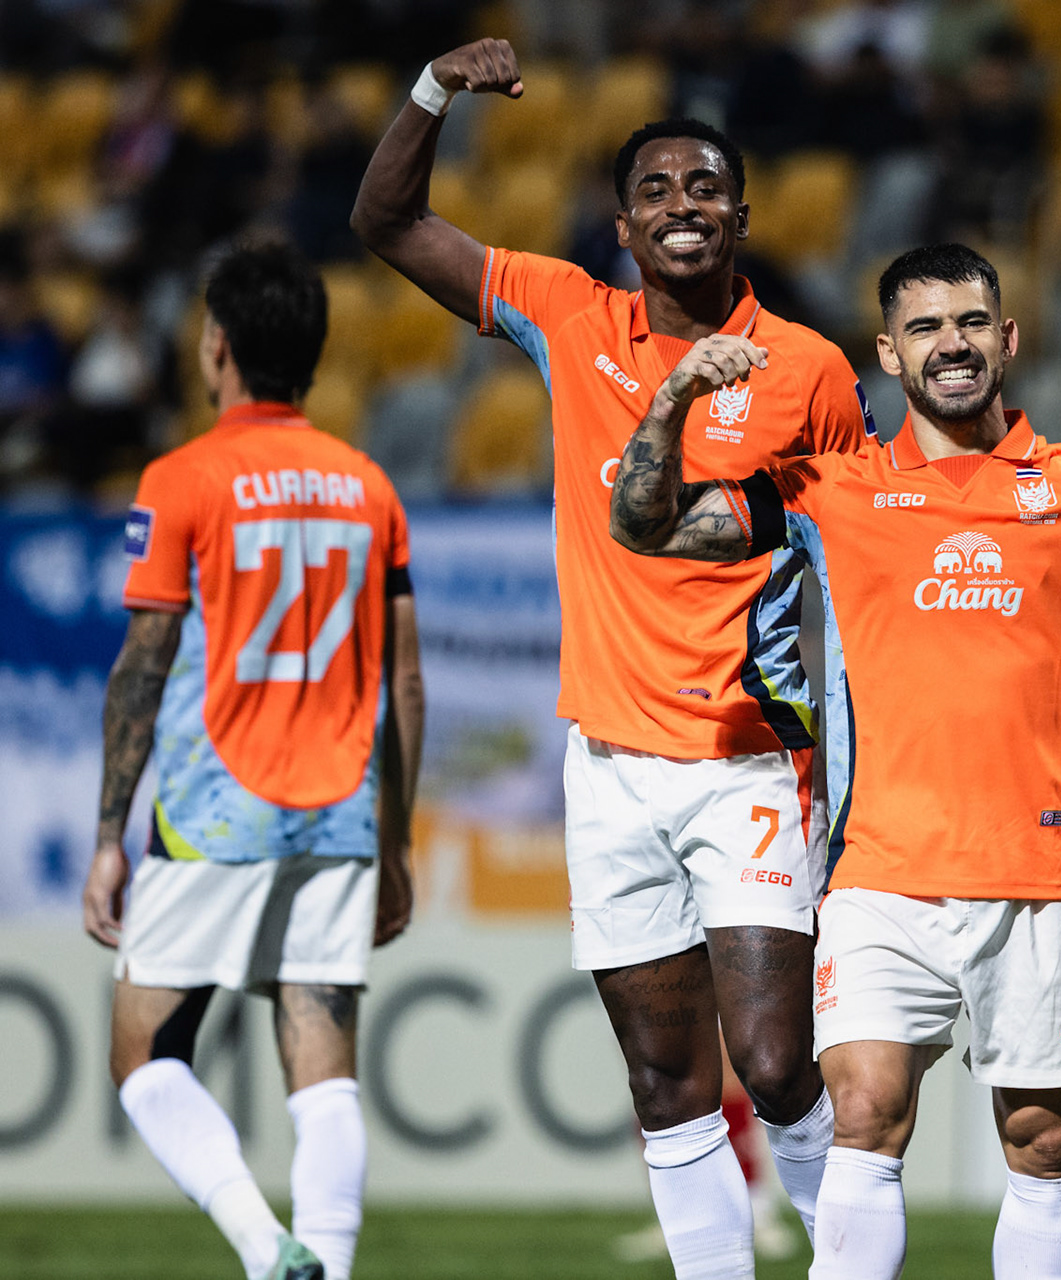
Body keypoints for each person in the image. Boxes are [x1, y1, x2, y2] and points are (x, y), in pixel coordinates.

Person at [606, 242, 1061, 1280]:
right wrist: (671, 400)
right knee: (863, 1112)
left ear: (1009, 339)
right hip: (880, 874)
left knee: (1042, 1144)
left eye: (974, 322)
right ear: (889, 353)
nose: (954, 344)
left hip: (1048, 876)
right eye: (928, 328)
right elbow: (646, 526)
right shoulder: (828, 489)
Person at [351, 38, 874, 1274]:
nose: (682, 208)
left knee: (774, 1055)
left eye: (704, 189)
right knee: (664, 1075)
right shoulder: (563, 309)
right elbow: (384, 220)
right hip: (610, 765)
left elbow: (862, 557)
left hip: (752, 758)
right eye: (656, 192)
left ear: (742, 216)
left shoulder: (811, 370)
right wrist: (434, 87)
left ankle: (856, 1257)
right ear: (622, 225)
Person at [80, 240, 423, 1280]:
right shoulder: (368, 485)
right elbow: (404, 684)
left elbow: (144, 663)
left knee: (144, 1056)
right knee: (323, 1079)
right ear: (313, 356)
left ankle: (262, 1245)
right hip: (337, 811)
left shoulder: (182, 478)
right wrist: (396, 841)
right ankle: (323, 1260)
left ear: (216, 345)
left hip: (211, 811)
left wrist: (109, 835)